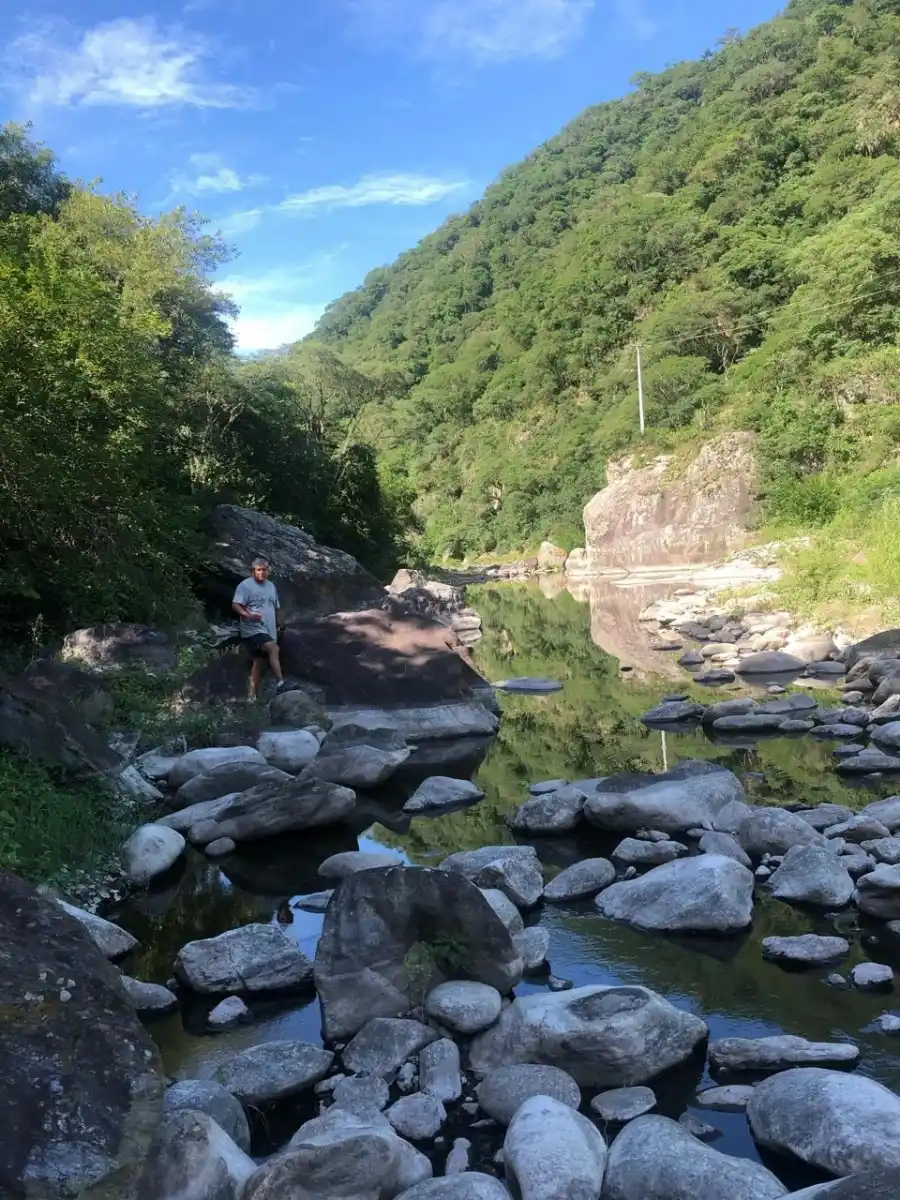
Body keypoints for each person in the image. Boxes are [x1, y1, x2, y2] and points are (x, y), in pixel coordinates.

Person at [232, 557, 290, 699]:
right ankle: (281, 683)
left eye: (265, 570)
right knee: (273, 649)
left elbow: (275, 607)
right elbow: (235, 604)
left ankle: (252, 698)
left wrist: (279, 624)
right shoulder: (245, 586)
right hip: (252, 629)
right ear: (253, 571)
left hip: (269, 630)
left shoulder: (271, 586)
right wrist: (248, 615)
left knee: (258, 662)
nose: (262, 573)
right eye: (259, 570)